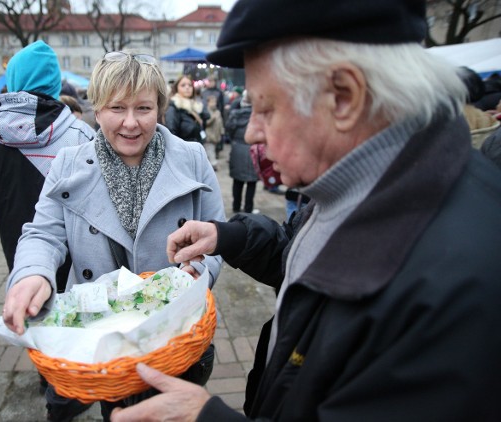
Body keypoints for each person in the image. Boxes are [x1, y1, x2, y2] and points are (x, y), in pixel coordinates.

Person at [110, 1, 501, 421]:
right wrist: (230, 237)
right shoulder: (363, 180)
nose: (253, 131)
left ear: (344, 97)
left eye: (266, 107)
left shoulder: (454, 289)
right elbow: (307, 258)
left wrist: (206, 418)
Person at [1, 50, 225, 422]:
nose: (131, 123)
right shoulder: (69, 163)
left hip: (172, 335)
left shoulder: (193, 157)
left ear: (160, 108)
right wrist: (32, 274)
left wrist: (198, 277)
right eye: (117, 108)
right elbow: (43, 233)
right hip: (101, 337)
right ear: (98, 109)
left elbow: (217, 235)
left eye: (143, 108)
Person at [0, 40, 95, 422]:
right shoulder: (79, 134)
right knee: (73, 307)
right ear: (54, 84)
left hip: (14, 245)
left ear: (12, 78)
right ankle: (77, 378)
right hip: (72, 248)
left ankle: (47, 374)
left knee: (32, 305)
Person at [225, 90, 257, 214]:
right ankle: (248, 208)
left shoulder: (235, 115)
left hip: (238, 149)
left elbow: (229, 130)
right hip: (252, 150)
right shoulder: (256, 116)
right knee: (251, 182)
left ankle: (236, 206)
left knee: (237, 181)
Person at [164, 75, 209, 144]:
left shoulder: (196, 107)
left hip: (196, 149)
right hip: (183, 151)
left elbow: (206, 118)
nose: (187, 87)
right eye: (183, 85)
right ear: (176, 88)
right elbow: (171, 135)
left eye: (190, 85)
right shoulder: (174, 107)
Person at [203, 96, 223, 170]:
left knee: (212, 150)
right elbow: (205, 123)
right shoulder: (206, 112)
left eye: (215, 102)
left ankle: (211, 165)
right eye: (212, 102)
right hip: (209, 135)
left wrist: (221, 132)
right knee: (210, 150)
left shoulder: (217, 112)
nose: (214, 104)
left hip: (216, 135)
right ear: (208, 103)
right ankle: (213, 165)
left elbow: (220, 123)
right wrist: (212, 118)